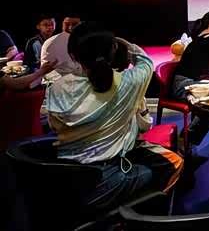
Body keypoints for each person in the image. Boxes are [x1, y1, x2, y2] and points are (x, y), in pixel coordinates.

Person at [46, 23, 183, 211]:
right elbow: (145, 61)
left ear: (73, 55)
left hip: (65, 179)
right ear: (113, 51)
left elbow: (53, 127)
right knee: (175, 163)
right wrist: (124, 43)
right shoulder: (129, 82)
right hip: (108, 180)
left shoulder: (56, 88)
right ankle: (145, 216)